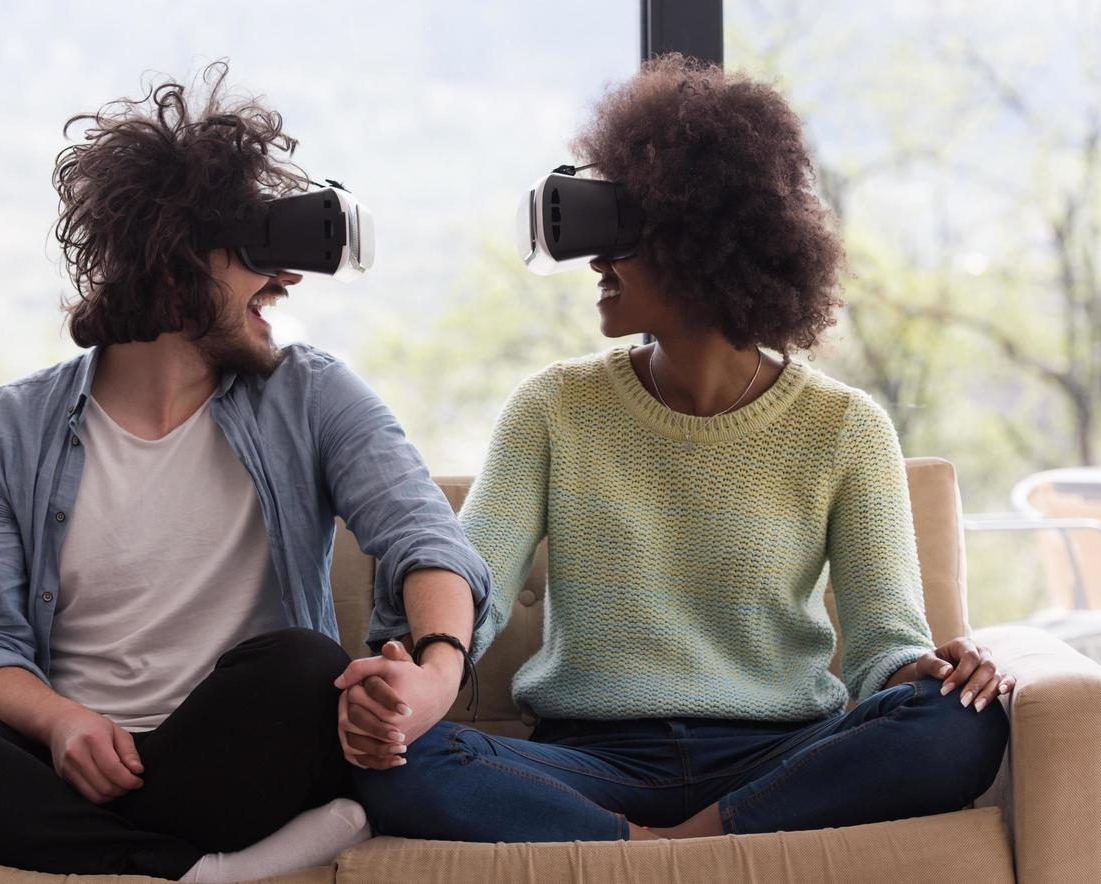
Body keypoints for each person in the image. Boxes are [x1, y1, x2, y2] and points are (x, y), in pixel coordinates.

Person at [0, 64, 489, 881]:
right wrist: (60, 724)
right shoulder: (4, 429)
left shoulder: (312, 392)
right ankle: (189, 869)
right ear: (172, 267)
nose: (288, 279)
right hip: (55, 760)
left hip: (230, 760)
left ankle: (80, 852)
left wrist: (436, 676)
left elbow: (424, 539)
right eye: (256, 251)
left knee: (301, 667)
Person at [342, 54, 1010, 842]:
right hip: (589, 765)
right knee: (386, 759)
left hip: (781, 753)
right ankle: (691, 845)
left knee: (957, 723)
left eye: (619, 229)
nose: (594, 259)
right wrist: (412, 681)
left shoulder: (844, 426)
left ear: (704, 236)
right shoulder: (553, 405)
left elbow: (883, 650)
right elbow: (473, 583)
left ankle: (664, 846)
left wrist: (931, 674)